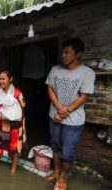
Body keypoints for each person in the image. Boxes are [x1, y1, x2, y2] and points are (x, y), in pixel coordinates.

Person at [45, 38, 95, 190]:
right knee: (55, 146)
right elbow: (50, 88)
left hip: (73, 122)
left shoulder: (87, 73)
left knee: (67, 151)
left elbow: (84, 96)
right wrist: (59, 108)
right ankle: (57, 171)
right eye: (62, 53)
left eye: (67, 52)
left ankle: (64, 176)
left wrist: (64, 112)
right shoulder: (55, 69)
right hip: (54, 117)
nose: (63, 56)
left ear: (78, 54)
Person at [0, 69, 26, 175]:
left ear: (10, 79)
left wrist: (9, 114)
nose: (0, 81)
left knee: (15, 147)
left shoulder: (18, 94)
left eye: (3, 79)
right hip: (0, 124)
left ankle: (13, 169)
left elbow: (22, 109)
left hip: (15, 126)